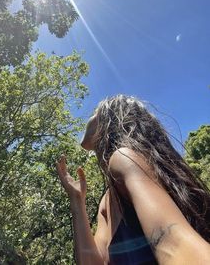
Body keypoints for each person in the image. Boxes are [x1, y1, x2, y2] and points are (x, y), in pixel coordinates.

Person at [56, 94, 210, 265]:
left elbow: (173, 243)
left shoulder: (124, 158)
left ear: (110, 118)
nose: (90, 116)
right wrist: (77, 199)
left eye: (95, 111)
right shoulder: (108, 198)